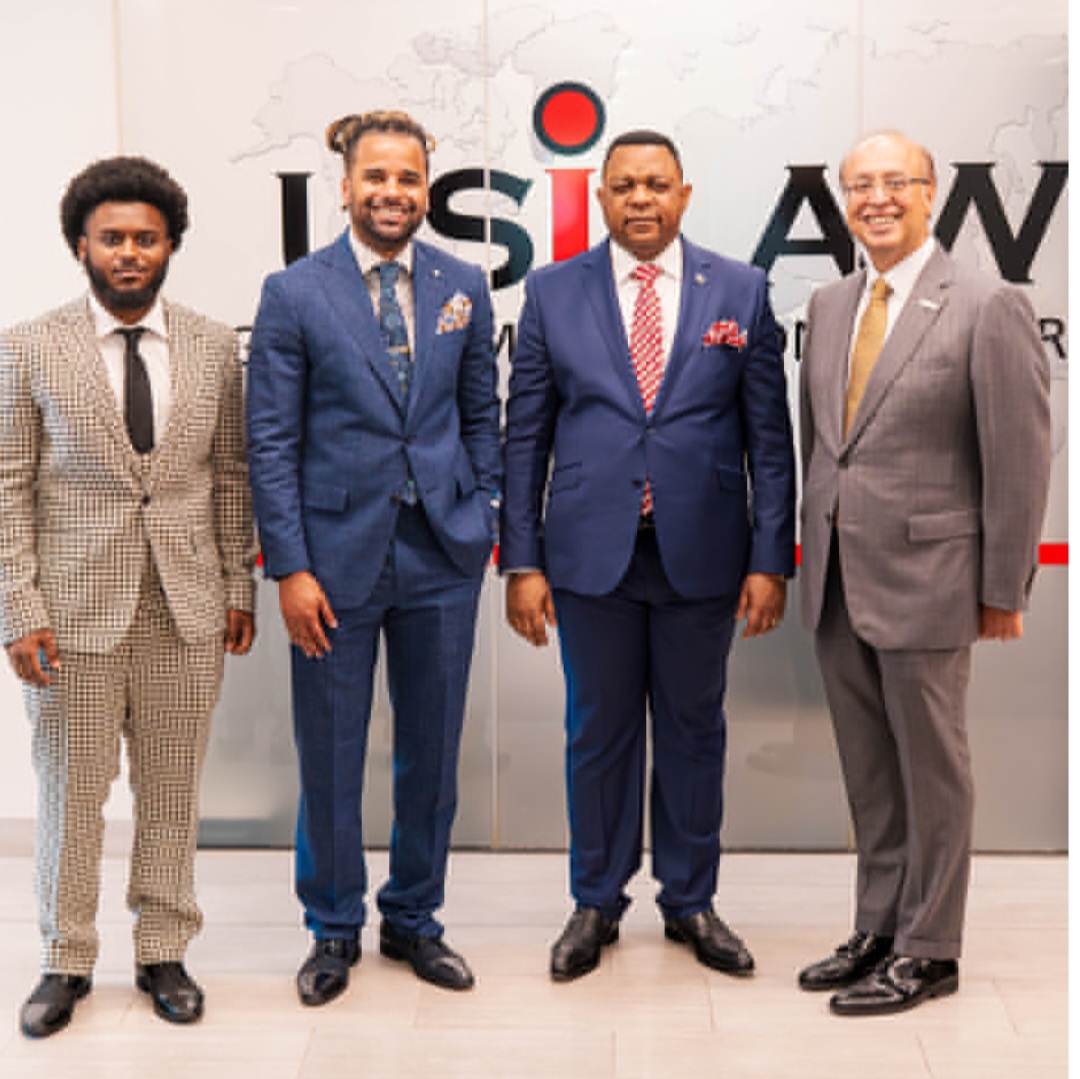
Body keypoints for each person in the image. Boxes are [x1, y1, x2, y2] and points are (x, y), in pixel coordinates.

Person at [501, 130, 796, 982]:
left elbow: (770, 441)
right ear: (601, 196)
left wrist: (770, 559)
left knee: (695, 729)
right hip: (589, 554)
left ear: (684, 195)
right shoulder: (552, 291)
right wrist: (521, 561)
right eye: (624, 184)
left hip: (703, 552)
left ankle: (690, 899)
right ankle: (596, 899)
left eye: (657, 184)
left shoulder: (739, 289)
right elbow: (526, 438)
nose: (640, 198)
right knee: (597, 731)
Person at [247, 110, 500, 1003]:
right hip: (331, 563)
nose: (393, 193)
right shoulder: (295, 292)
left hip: (443, 554)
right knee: (330, 753)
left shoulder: (462, 284)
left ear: (427, 189)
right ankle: (333, 925)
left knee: (432, 753)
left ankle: (415, 917)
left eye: (409, 178)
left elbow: (482, 414)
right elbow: (270, 441)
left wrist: (486, 509)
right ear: (346, 185)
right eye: (377, 177)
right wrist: (290, 568)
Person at [0, 156, 257, 1038]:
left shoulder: (214, 345)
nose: (130, 252)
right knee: (72, 794)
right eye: (112, 237)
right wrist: (19, 608)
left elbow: (231, 475)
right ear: (82, 245)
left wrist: (237, 584)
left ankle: (163, 950)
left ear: (170, 245)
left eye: (147, 238)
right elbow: (6, 485)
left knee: (172, 789)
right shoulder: (30, 346)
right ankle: (65, 957)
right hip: (69, 615)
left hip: (185, 607)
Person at [797, 130, 1051, 1016]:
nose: (877, 198)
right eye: (859, 185)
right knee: (871, 771)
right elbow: (823, 447)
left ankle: (931, 948)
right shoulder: (831, 303)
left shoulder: (987, 303)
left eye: (894, 182)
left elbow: (1019, 456)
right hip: (838, 579)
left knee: (933, 772)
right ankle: (879, 926)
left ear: (930, 191)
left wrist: (1003, 587)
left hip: (931, 580)